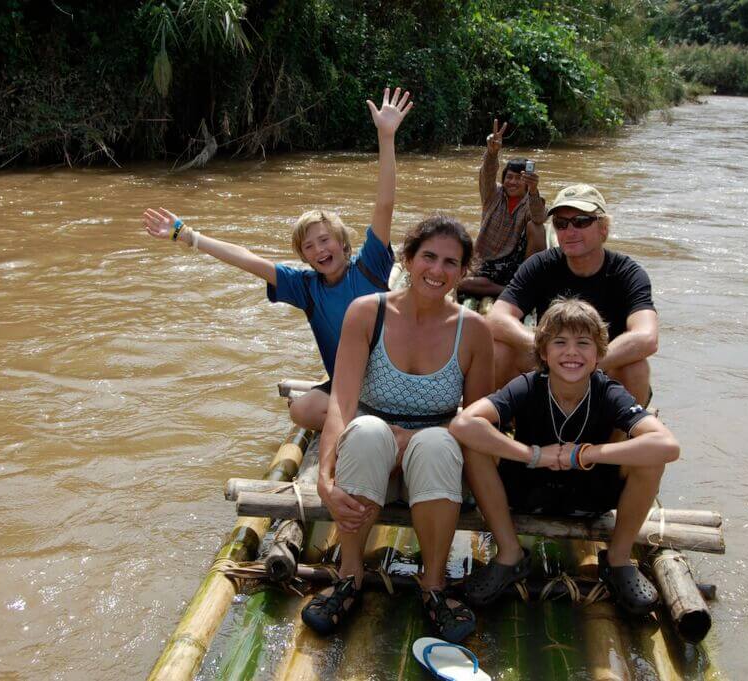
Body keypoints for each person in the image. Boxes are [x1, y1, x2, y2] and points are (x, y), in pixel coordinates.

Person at [142, 87, 413, 430]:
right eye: (309, 247)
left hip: (393, 385)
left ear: (344, 245)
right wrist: (189, 236)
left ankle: (376, 426)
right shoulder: (306, 287)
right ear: (304, 257)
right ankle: (376, 428)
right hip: (349, 393)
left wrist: (386, 137)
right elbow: (248, 260)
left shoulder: (370, 265)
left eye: (325, 240)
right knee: (301, 410)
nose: (319, 250)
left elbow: (385, 204)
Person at [301, 216, 494, 643]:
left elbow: (478, 419)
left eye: (450, 262)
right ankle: (350, 574)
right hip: (370, 459)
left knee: (438, 442)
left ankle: (434, 584)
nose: (437, 270)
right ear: (407, 259)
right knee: (368, 431)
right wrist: (325, 478)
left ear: (463, 273)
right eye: (428, 256)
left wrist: (413, 438)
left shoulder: (474, 330)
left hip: (434, 465)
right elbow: (342, 402)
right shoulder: (367, 312)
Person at [449, 297, 679, 615]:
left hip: (590, 491)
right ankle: (510, 553)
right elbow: (463, 423)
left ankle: (618, 559)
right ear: (543, 352)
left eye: (583, 343)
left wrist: (586, 454)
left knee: (650, 454)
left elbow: (668, 445)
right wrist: (533, 454)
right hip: (529, 487)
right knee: (476, 444)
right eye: (560, 342)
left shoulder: (608, 391)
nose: (572, 352)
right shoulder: (528, 385)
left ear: (599, 355)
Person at [486, 184, 658, 405]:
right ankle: (510, 430)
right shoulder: (540, 265)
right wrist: (550, 351)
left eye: (581, 222)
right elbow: (495, 319)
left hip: (602, 369)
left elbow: (648, 338)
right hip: (548, 364)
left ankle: (619, 438)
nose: (570, 231)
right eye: (561, 223)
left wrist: (588, 361)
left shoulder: (627, 273)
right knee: (500, 350)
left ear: (603, 228)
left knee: (637, 366)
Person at [457, 119, 546, 299]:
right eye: (509, 177)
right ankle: (506, 290)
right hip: (485, 260)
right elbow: (488, 173)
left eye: (519, 178)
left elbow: (539, 217)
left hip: (513, 263)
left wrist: (534, 190)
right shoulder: (493, 194)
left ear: (527, 182)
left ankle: (527, 281)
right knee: (461, 283)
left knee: (536, 228)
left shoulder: (532, 200)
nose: (512, 182)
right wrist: (492, 152)